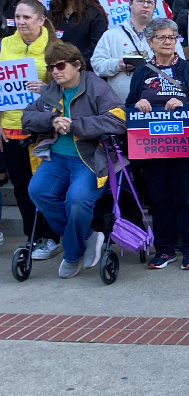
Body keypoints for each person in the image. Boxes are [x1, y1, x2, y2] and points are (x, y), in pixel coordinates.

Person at [24, 42, 126, 278]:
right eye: (51, 67)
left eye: (60, 65)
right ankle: (87, 237)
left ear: (77, 65)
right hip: (57, 156)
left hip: (89, 158)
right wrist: (51, 122)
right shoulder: (51, 90)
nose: (55, 71)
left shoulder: (98, 88)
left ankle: (71, 253)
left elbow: (119, 121)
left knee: (77, 200)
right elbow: (27, 117)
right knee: (38, 191)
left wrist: (76, 125)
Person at [126, 17, 189, 269]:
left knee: (185, 197)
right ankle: (164, 249)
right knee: (159, 197)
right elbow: (129, 105)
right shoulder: (141, 72)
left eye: (172, 37)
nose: (167, 42)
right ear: (150, 41)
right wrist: (137, 105)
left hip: (185, 145)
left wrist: (185, 104)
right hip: (151, 145)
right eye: (161, 37)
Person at [2, 0, 60, 259]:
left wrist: (45, 88)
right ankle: (33, 237)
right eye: (18, 17)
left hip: (43, 128)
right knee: (22, 186)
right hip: (11, 127)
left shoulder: (54, 47)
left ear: (40, 19)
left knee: (44, 185)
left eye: (27, 17)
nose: (21, 22)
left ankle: (52, 235)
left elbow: (68, 86)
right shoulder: (4, 44)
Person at [92, 0, 184, 99]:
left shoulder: (168, 36)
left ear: (154, 7)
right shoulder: (111, 35)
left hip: (159, 103)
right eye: (141, 1)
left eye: (150, 3)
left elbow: (181, 65)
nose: (145, 5)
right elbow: (96, 64)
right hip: (120, 104)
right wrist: (117, 65)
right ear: (130, 4)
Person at [48, 0, 108, 69]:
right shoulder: (54, 11)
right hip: (57, 69)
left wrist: (76, 65)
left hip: (85, 70)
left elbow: (97, 44)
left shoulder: (94, 12)